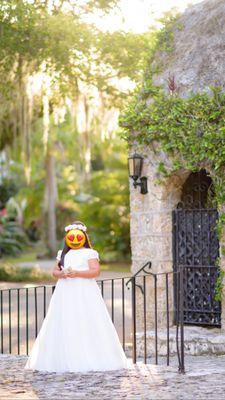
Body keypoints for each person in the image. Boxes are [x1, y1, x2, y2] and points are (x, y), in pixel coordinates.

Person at [24, 220, 128, 373]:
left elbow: (95, 271)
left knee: (86, 317)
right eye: (71, 237)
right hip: (65, 292)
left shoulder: (90, 253)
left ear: (84, 236)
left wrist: (77, 273)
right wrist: (63, 273)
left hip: (85, 291)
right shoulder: (63, 254)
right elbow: (54, 272)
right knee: (65, 318)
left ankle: (90, 355)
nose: (74, 239)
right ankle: (65, 357)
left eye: (78, 236)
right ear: (67, 238)